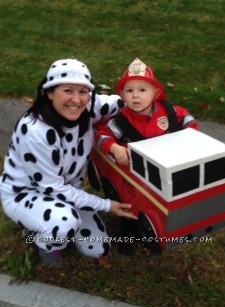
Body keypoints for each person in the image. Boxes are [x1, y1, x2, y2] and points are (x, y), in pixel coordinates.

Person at [0, 58, 137, 266]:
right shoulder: (36, 131)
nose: (76, 100)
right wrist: (107, 205)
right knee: (63, 224)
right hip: (25, 194)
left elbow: (125, 102)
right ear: (49, 92)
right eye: (67, 90)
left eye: (83, 91)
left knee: (99, 248)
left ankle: (56, 224)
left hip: (69, 191)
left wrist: (157, 113)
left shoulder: (88, 107)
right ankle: (49, 253)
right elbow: (53, 188)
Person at [95, 58, 199, 255]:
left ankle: (161, 234)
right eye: (129, 90)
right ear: (122, 95)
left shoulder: (169, 111)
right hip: (135, 176)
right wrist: (114, 148)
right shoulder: (122, 121)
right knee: (130, 209)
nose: (135, 96)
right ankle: (128, 236)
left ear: (155, 93)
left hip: (164, 169)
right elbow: (102, 135)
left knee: (166, 205)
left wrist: (189, 135)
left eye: (142, 90)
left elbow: (187, 119)